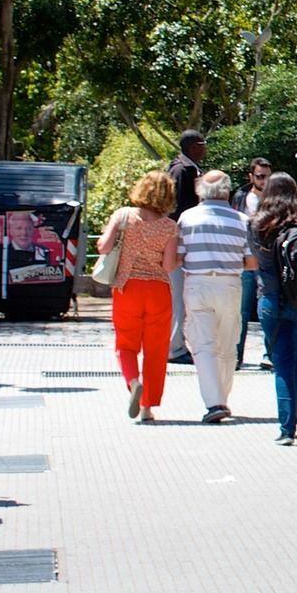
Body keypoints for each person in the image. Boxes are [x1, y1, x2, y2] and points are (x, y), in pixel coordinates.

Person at [97, 171, 181, 423]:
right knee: (156, 350)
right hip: (158, 290)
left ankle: (134, 382)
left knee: (126, 344)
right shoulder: (170, 227)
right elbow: (168, 266)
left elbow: (103, 246)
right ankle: (147, 407)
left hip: (127, 288)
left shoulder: (123, 216)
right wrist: (179, 258)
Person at [249, 173, 297, 445]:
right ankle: (290, 423)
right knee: (294, 361)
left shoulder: (256, 225)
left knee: (282, 363)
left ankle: (287, 428)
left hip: (272, 299)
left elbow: (255, 259)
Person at [176, 169, 249, 425]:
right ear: (227, 191)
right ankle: (223, 399)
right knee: (228, 346)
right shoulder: (241, 220)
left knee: (203, 346)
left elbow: (178, 256)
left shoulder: (187, 218)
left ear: (200, 192)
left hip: (196, 283)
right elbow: (251, 262)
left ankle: (214, 402)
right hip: (229, 285)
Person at [165, 129, 205, 364]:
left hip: (183, 244)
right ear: (192, 147)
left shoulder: (186, 168)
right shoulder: (182, 171)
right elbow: (177, 210)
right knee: (178, 298)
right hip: (179, 244)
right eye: (202, 144)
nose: (205, 148)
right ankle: (174, 347)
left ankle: (178, 343)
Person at [232, 158, 272, 370]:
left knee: (268, 308)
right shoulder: (240, 197)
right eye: (260, 176)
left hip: (267, 259)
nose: (264, 180)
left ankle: (269, 355)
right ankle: (236, 355)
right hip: (245, 259)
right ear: (251, 177)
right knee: (242, 311)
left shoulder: (275, 198)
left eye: (267, 176)